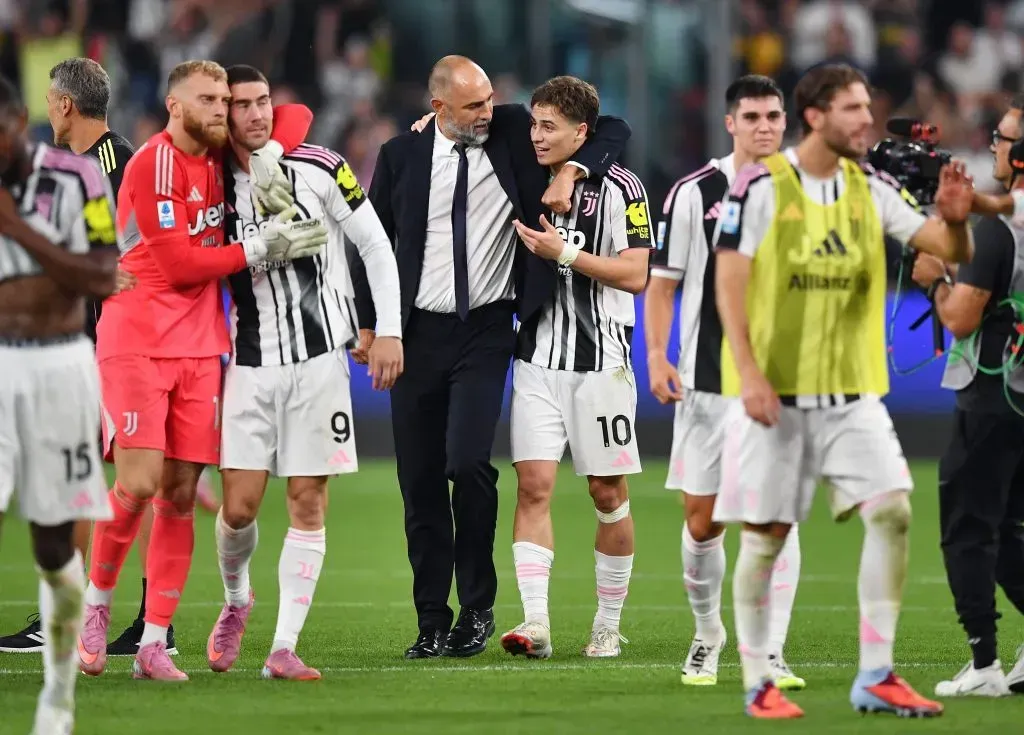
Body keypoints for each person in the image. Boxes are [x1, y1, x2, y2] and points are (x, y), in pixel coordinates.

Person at [712, 63, 974, 719]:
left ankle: (876, 673)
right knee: (766, 535)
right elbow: (730, 282)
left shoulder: (870, 186)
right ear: (816, 116)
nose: (867, 119)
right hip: (780, 396)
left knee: (893, 511)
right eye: (854, 108)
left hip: (853, 395)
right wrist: (748, 372)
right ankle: (756, 681)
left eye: (868, 106)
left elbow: (943, 244)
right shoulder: (760, 187)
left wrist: (957, 218)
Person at [350, 56, 631, 660]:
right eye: (474, 104)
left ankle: (477, 610)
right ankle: (431, 619)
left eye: (490, 99)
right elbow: (371, 241)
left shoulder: (508, 133)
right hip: (416, 334)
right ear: (438, 109)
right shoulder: (401, 157)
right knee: (418, 481)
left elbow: (610, 128)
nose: (490, 111)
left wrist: (573, 170)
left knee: (467, 463)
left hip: (486, 330)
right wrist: (373, 325)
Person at [76, 59, 322, 682]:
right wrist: (260, 247)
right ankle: (96, 606)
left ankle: (154, 642)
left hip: (200, 346)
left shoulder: (217, 155)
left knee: (180, 496)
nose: (221, 109)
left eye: (225, 100)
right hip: (135, 336)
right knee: (138, 480)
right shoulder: (153, 163)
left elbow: (294, 119)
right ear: (174, 107)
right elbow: (182, 265)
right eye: (209, 99)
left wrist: (270, 149)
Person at [204, 65, 402, 680]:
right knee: (238, 507)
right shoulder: (208, 184)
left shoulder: (320, 164)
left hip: (321, 364)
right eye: (243, 105)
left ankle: (283, 648)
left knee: (307, 500)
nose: (258, 114)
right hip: (252, 365)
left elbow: (373, 244)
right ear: (222, 114)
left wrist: (387, 327)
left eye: (265, 101)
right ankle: (237, 600)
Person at [645, 75, 804, 689]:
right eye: (753, 117)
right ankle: (708, 634)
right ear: (730, 124)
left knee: (776, 515)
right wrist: (657, 356)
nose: (766, 126)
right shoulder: (694, 194)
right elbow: (663, 286)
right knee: (703, 520)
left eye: (775, 115)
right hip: (708, 385)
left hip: (782, 385)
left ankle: (771, 651)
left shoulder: (804, 192)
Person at [496, 76, 649, 660]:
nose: (536, 136)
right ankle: (536, 624)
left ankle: (607, 623)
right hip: (536, 359)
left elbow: (635, 275)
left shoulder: (623, 187)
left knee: (607, 492)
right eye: (534, 124)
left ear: (581, 134)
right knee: (532, 486)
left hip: (602, 365)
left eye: (549, 126)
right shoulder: (527, 169)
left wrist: (565, 254)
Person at [0, 72, 118, 734]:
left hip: (58, 364)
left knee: (53, 545)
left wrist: (22, 231)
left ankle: (59, 692)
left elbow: (104, 273)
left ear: (19, 123)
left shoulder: (79, 179)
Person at [911, 97, 1024, 697]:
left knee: (968, 530)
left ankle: (983, 665)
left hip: (995, 390)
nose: (995, 148)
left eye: (1004, 139)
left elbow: (959, 318)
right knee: (1012, 530)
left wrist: (935, 281)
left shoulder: (1000, 228)